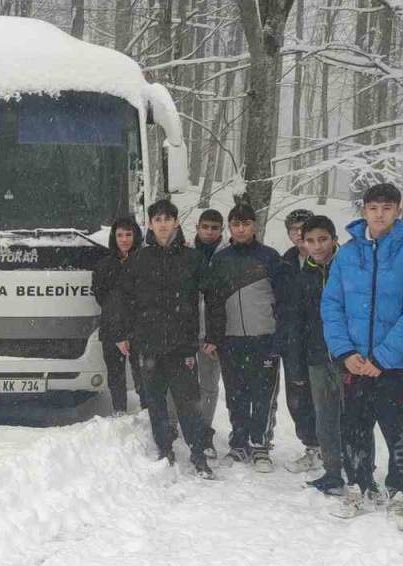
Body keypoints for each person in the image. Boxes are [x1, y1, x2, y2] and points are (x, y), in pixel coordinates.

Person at [322, 183, 403, 527]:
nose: (380, 213)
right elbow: (332, 305)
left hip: (394, 366)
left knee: (398, 431)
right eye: (373, 207)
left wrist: (382, 357)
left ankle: (399, 492)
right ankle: (357, 483)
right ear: (364, 210)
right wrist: (344, 351)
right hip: (353, 362)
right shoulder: (347, 254)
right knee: (353, 426)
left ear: (398, 210)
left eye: (387, 207)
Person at [109, 200, 214, 478]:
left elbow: (212, 297)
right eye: (157, 219)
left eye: (168, 218)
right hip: (148, 343)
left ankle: (198, 452)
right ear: (150, 224)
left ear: (177, 222)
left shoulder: (192, 259)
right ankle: (164, 447)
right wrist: (121, 333)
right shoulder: (138, 260)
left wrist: (212, 334)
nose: (163, 223)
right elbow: (122, 299)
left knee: (188, 400)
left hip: (182, 344)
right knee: (155, 400)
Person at [202, 199, 283, 472]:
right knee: (236, 394)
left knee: (263, 394)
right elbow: (213, 303)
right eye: (235, 224)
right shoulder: (221, 260)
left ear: (254, 226)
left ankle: (260, 446)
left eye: (245, 223)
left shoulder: (270, 257)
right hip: (231, 338)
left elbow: (284, 302)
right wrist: (213, 337)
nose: (240, 229)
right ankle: (239, 443)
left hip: (264, 337)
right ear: (230, 228)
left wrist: (280, 336)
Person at [279, 215, 348, 495]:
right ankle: (332, 472)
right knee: (325, 416)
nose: (317, 246)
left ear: (334, 239)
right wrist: (296, 360)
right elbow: (296, 320)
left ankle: (359, 471)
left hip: (348, 356)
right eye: (310, 240)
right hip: (316, 355)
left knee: (353, 417)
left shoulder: (348, 268)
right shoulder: (302, 275)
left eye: (322, 239)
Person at [278, 209, 321, 472]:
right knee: (297, 398)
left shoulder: (330, 259)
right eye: (293, 229)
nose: (298, 233)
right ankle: (312, 447)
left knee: (325, 398)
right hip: (292, 340)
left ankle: (332, 449)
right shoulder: (285, 262)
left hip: (322, 341)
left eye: (302, 228)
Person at [93, 216, 143, 415]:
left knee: (143, 374)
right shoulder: (104, 265)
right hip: (112, 328)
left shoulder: (144, 261)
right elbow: (103, 298)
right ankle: (119, 411)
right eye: (120, 235)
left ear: (136, 236)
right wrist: (118, 331)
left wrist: (132, 329)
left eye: (128, 234)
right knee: (115, 375)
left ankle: (148, 411)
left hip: (140, 327)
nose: (124, 239)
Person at [192, 209, 227, 456]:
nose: (210, 231)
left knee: (209, 384)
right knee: (179, 383)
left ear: (221, 230)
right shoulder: (184, 252)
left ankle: (204, 432)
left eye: (215, 227)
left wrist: (215, 335)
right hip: (185, 329)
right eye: (206, 226)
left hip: (213, 332)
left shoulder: (228, 255)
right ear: (197, 227)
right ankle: (175, 427)